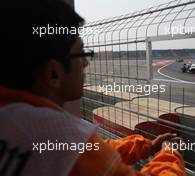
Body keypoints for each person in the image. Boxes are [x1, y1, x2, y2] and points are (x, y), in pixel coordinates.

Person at [0, 0, 185, 175]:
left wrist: (146, 146)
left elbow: (93, 153)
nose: (86, 63)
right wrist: (171, 153)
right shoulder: (57, 134)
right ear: (53, 73)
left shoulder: (12, 116)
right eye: (81, 54)